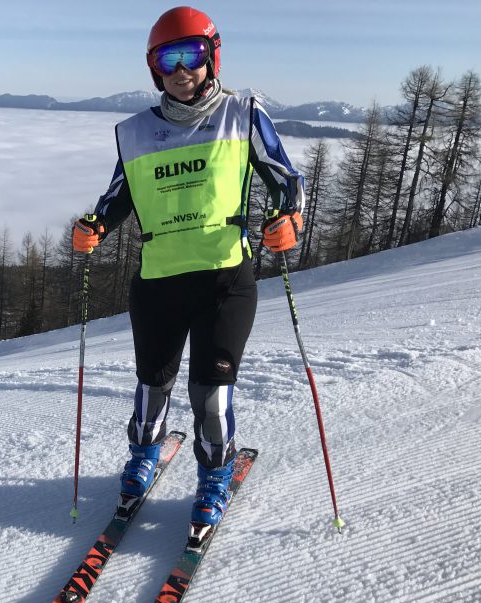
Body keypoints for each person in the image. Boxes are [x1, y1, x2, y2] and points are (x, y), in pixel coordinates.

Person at [72, 6, 305, 548]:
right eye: (168, 59)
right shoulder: (134, 133)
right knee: (152, 382)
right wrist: (94, 226)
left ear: (211, 56)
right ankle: (143, 455)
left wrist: (289, 219)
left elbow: (285, 181)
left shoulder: (242, 115)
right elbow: (117, 198)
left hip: (224, 280)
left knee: (210, 389)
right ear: (155, 68)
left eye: (192, 56)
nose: (182, 70)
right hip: (158, 282)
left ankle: (214, 474)